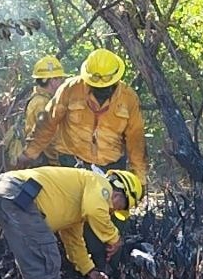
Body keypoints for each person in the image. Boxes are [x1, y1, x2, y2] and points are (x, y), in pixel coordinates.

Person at [0, 166, 145, 279]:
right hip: (17, 193)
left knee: (35, 258)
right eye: (119, 207)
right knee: (45, 258)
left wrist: (90, 271)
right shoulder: (100, 183)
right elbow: (95, 210)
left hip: (8, 194)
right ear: (119, 192)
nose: (113, 211)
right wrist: (114, 238)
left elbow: (74, 241)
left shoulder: (75, 206)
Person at [15, 48, 148, 180]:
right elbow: (47, 123)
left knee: (104, 200)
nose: (101, 89)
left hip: (110, 165)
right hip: (71, 162)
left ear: (116, 79)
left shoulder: (128, 98)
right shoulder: (70, 89)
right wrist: (29, 153)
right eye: (96, 85)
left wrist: (138, 177)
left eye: (106, 86)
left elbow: (136, 139)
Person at [22, 54, 67, 163]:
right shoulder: (41, 103)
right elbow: (46, 137)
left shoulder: (44, 100)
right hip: (46, 161)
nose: (62, 82)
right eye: (60, 78)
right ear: (52, 81)